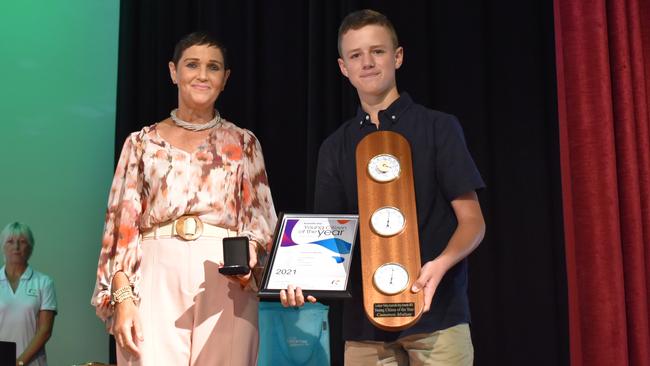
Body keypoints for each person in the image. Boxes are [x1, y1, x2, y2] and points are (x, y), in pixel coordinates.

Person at [282, 9, 486, 365]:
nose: (367, 63)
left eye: (377, 51)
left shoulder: (439, 128)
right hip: (364, 332)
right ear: (343, 68)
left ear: (398, 56)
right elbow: (331, 238)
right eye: (355, 55)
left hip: (438, 318)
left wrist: (440, 265)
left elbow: (473, 222)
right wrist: (302, 280)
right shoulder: (335, 146)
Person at [91, 32, 277, 366]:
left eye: (213, 67)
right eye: (192, 65)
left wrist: (249, 257)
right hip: (154, 274)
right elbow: (120, 233)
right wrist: (123, 299)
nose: (203, 75)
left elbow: (262, 224)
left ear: (225, 79)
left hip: (226, 279)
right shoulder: (141, 143)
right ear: (174, 72)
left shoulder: (244, 143)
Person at [0, 222, 57, 366]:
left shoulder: (44, 282)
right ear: (3, 246)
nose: (16, 247)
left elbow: (45, 330)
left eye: (22, 242)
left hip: (32, 362)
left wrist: (19, 362)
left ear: (30, 247)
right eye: (10, 241)